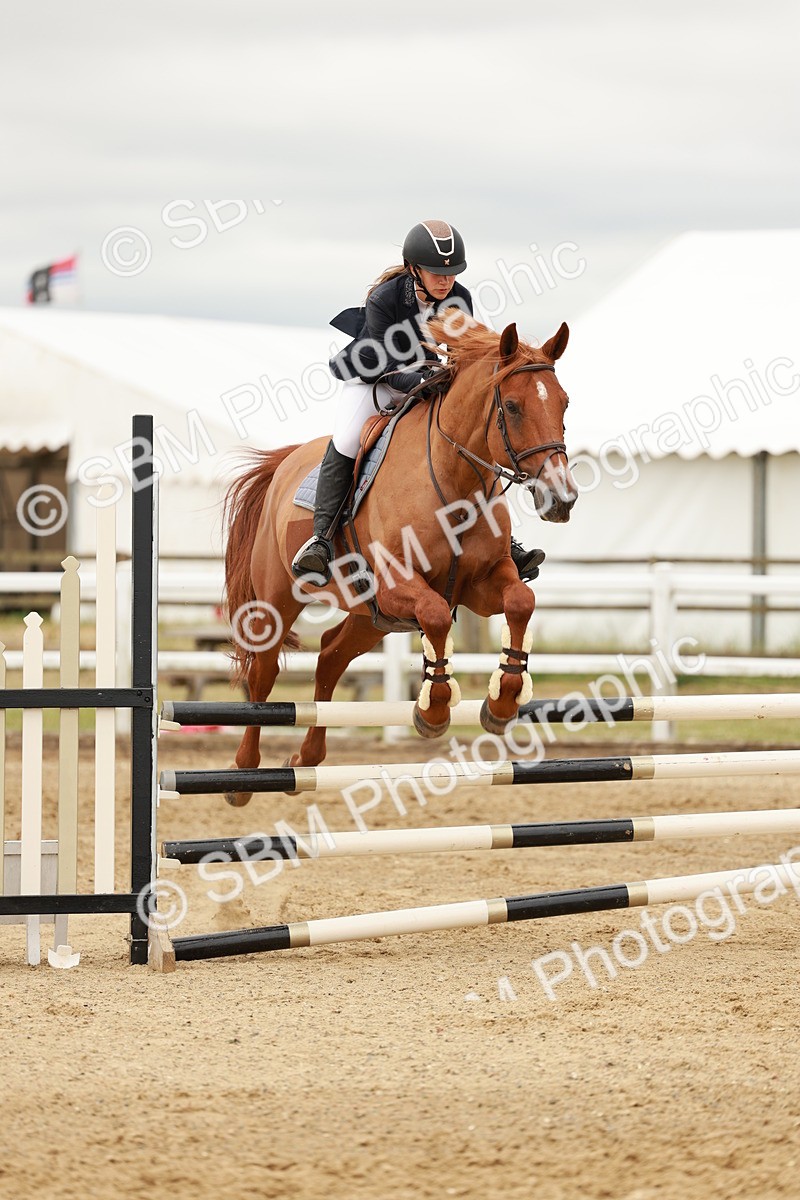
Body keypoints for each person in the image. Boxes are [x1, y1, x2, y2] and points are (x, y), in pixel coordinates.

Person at [291, 219, 545, 584]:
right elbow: (384, 363)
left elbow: (463, 353)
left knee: (470, 438)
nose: (445, 281)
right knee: (346, 440)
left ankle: (503, 541)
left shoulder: (459, 299)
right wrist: (421, 381)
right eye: (436, 273)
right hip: (375, 381)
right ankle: (322, 539)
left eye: (452, 274)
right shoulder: (385, 299)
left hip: (426, 380)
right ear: (414, 269)